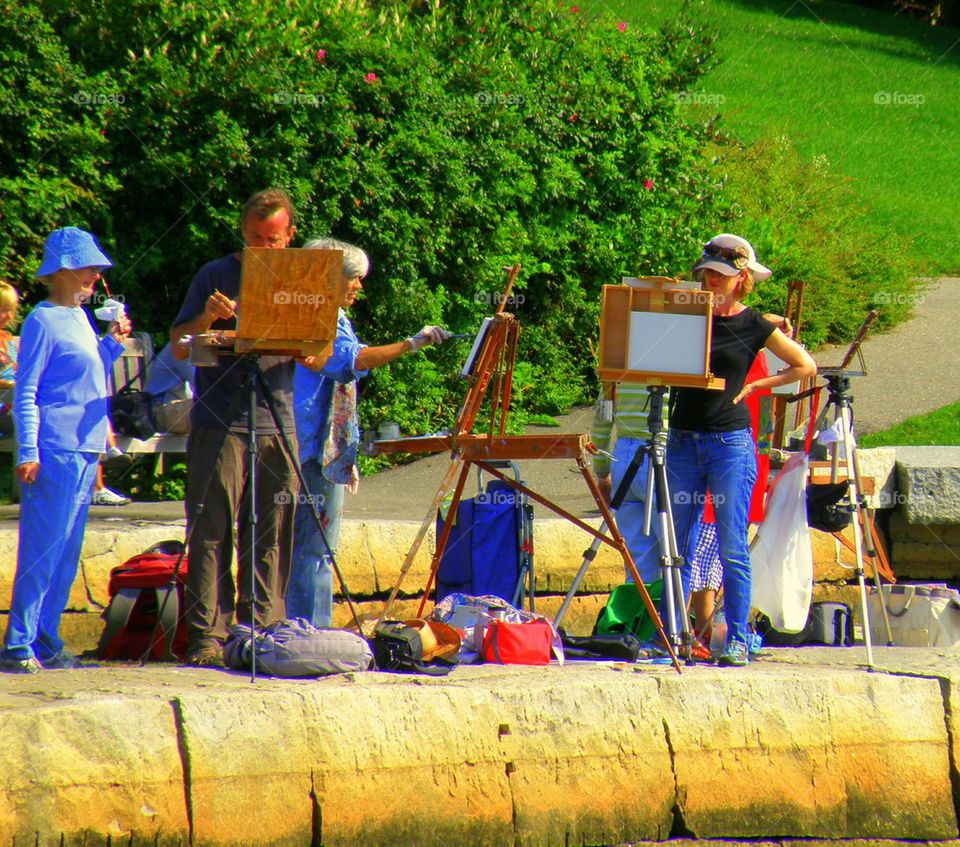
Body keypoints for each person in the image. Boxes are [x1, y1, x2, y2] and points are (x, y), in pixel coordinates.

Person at [170, 188, 307, 667]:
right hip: (220, 420)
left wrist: (298, 343)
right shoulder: (215, 274)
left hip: (277, 420)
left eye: (272, 239)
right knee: (210, 529)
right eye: (254, 238)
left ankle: (264, 632)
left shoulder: (304, 278)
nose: (263, 248)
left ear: (290, 235)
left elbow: (322, 354)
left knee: (271, 531)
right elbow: (180, 344)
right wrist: (209, 317)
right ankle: (209, 637)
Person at [664, 234, 815, 667]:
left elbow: (805, 366)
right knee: (678, 540)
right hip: (683, 438)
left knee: (731, 541)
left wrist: (755, 385)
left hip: (729, 442)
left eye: (720, 275)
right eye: (706, 273)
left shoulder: (754, 324)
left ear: (740, 279)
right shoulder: (690, 316)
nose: (710, 280)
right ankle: (677, 634)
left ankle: (736, 636)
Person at [287, 237, 450, 626]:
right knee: (317, 548)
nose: (360, 286)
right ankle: (311, 633)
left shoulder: (317, 313)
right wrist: (413, 343)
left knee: (310, 547)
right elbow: (351, 361)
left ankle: (305, 629)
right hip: (315, 448)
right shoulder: (319, 316)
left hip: (310, 443)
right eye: (355, 278)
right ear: (329, 278)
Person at [0, 227, 131, 673]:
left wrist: (111, 343)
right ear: (63, 271)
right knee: (42, 547)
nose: (95, 274)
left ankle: (48, 640)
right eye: (88, 267)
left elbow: (86, 375)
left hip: (86, 448)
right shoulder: (41, 319)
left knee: (67, 552)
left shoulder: (80, 317)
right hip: (54, 447)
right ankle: (18, 645)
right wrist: (27, 450)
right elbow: (28, 388)